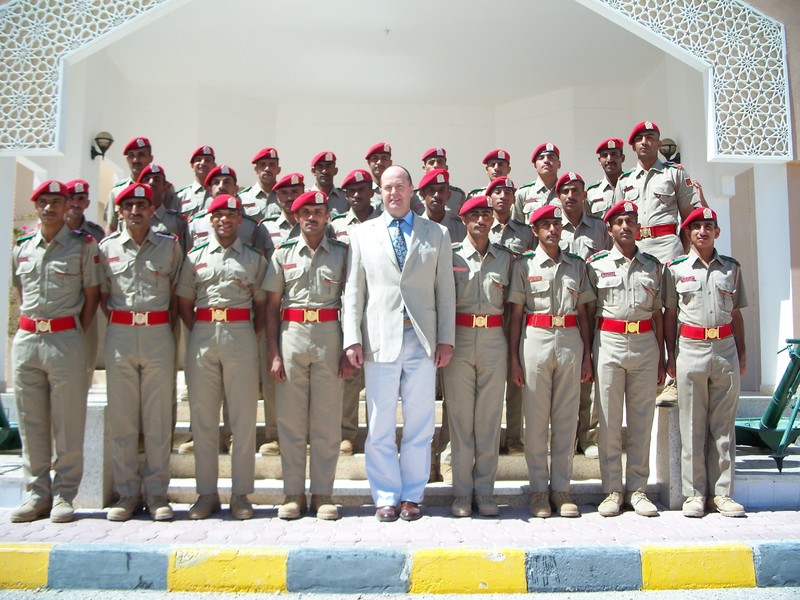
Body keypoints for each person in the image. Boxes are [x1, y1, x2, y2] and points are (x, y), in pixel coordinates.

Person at [343, 165, 456, 522]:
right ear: (380, 192)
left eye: (399, 186)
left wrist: (446, 339)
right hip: (380, 340)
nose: (393, 193)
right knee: (379, 423)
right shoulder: (362, 233)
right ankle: (385, 497)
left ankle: (411, 495)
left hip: (422, 340)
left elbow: (445, 290)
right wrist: (352, 338)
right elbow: (354, 290)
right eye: (387, 187)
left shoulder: (436, 233)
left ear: (411, 190)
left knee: (420, 423)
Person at [11, 180, 101, 523]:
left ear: (67, 208)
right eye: (43, 202)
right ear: (36, 207)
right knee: (30, 421)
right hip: (28, 341)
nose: (49, 208)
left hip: (65, 340)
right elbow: (20, 292)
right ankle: (36, 494)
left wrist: (73, 331)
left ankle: (64, 494)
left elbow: (91, 297)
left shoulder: (83, 246)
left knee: (68, 421)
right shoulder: (22, 248)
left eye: (56, 202)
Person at [177, 194, 267, 520]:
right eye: (218, 215)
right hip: (202, 335)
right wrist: (204, 329)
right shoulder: (194, 257)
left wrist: (243, 332)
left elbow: (261, 306)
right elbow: (184, 303)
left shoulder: (254, 258)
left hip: (241, 333)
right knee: (203, 419)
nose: (225, 220)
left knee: (242, 419)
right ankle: (206, 494)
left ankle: (241, 494)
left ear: (240, 220)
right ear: (210, 220)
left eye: (231, 215)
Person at [264, 190, 351, 520]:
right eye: (305, 212)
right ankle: (293, 494)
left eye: (318, 211)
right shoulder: (282, 253)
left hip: (330, 336)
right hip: (292, 336)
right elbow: (271, 306)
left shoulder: (342, 253)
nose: (312, 217)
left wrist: (349, 348)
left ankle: (323, 494)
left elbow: (353, 301)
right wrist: (274, 353)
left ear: (328, 216)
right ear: (296, 217)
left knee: (327, 422)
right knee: (291, 421)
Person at [99, 183, 183, 521]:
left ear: (152, 210)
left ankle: (157, 493)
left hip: (157, 334)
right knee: (123, 418)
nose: (135, 211)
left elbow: (176, 295)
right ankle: (128, 493)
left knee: (158, 418)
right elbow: (102, 295)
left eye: (142, 205)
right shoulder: (105, 248)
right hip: (120, 335)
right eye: (129, 206)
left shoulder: (169, 246)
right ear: (120, 212)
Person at [507, 204, 594, 518]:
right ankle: (539, 491)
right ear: (535, 230)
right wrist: (514, 359)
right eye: (546, 225)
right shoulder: (524, 265)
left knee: (566, 421)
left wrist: (587, 355)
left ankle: (561, 489)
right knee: (536, 420)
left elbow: (583, 312)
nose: (553, 230)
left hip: (570, 340)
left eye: (556, 224)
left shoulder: (577, 265)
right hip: (536, 339)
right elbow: (516, 315)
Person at [663, 207, 747, 518]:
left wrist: (742, 354)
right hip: (690, 348)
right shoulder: (675, 270)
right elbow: (670, 315)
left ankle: (722, 493)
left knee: (723, 426)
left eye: (708, 226)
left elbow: (736, 315)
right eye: (696, 227)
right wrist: (670, 356)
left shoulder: (731, 269)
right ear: (688, 233)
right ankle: (695, 494)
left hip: (724, 348)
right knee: (692, 425)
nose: (702, 231)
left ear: (717, 232)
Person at [613, 121, 703, 407]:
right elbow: (616, 220)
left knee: (672, 311)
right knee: (644, 311)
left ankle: (674, 378)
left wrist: (683, 256)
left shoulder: (674, 173)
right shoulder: (625, 180)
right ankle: (652, 375)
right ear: (633, 145)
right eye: (640, 138)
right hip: (637, 250)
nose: (645, 142)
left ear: (658, 142)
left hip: (667, 247)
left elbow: (690, 218)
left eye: (650, 137)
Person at [586, 200, 664, 517]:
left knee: (641, 420)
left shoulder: (653, 266)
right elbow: (588, 312)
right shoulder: (596, 264)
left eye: (630, 221)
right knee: (608, 420)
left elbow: (659, 314)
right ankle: (612, 490)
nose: (625, 227)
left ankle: (637, 489)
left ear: (638, 227)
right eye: (619, 222)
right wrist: (588, 353)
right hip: (609, 342)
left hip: (645, 343)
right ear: (609, 229)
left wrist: (662, 357)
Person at [443, 195, 513, 518]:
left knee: (488, 420)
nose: (482, 221)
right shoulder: (451, 256)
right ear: (464, 220)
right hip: (459, 338)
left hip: (493, 340)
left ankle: (484, 491)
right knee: (460, 421)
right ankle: (461, 493)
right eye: (475, 216)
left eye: (486, 215)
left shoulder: (505, 258)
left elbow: (512, 306)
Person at [556, 171, 611, 459]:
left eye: (576, 190)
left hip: (595, 308)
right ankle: (563, 436)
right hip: (563, 310)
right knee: (564, 379)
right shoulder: (552, 226)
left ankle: (588, 436)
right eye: (565, 191)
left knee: (590, 374)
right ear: (558, 196)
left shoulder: (599, 228)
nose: (571, 196)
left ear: (585, 195)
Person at [330, 169, 381, 454]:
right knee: (349, 372)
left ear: (372, 192)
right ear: (346, 195)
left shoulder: (386, 221)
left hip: (378, 306)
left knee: (379, 374)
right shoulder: (336, 225)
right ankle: (346, 433)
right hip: (347, 305)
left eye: (363, 189)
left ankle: (377, 435)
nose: (358, 195)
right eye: (352, 191)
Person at [485, 175, 531, 456]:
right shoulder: (481, 227)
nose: (502, 196)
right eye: (497, 192)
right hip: (489, 310)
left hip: (517, 312)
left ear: (514, 199)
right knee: (490, 380)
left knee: (516, 377)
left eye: (507, 192)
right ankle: (489, 437)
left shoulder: (526, 233)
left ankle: (514, 437)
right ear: (489, 197)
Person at [65, 179, 104, 390]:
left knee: (83, 371)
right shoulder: (54, 231)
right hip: (60, 310)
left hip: (87, 310)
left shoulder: (96, 234)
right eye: (71, 198)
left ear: (87, 203)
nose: (75, 203)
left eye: (80, 199)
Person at [137, 164, 190, 252]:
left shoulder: (177, 221)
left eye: (157, 179)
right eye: (146, 179)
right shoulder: (131, 219)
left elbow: (185, 254)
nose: (151, 182)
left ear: (165, 186)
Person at [512, 143, 561, 222]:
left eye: (551, 157)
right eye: (541, 158)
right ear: (535, 166)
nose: (546, 161)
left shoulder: (567, 192)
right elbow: (517, 226)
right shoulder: (523, 194)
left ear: (559, 164)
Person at [418, 168, 466, 243]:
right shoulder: (414, 228)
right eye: (431, 190)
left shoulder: (462, 229)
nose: (436, 195)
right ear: (422, 194)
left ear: (448, 195)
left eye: (441, 190)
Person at [238, 147, 282, 221]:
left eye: (272, 165)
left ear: (278, 170)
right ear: (256, 170)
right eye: (262, 165)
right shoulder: (242, 198)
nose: (267, 169)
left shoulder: (286, 198)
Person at [585, 138, 625, 219]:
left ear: (622, 158)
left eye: (614, 154)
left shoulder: (632, 185)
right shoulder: (592, 193)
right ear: (599, 161)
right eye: (605, 155)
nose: (609, 159)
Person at [420, 147, 466, 213]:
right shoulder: (414, 196)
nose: (436, 165)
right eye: (431, 162)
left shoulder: (458, 196)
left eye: (440, 162)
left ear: (446, 167)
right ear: (424, 168)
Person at [177, 145, 216, 219]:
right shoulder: (181, 196)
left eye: (207, 160)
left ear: (214, 166)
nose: (203, 163)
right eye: (198, 160)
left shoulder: (221, 193)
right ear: (192, 166)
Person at [309, 151, 349, 215]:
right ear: (313, 171)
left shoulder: (345, 198)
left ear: (335, 171)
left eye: (328, 166)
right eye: (320, 167)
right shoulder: (304, 197)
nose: (324, 171)